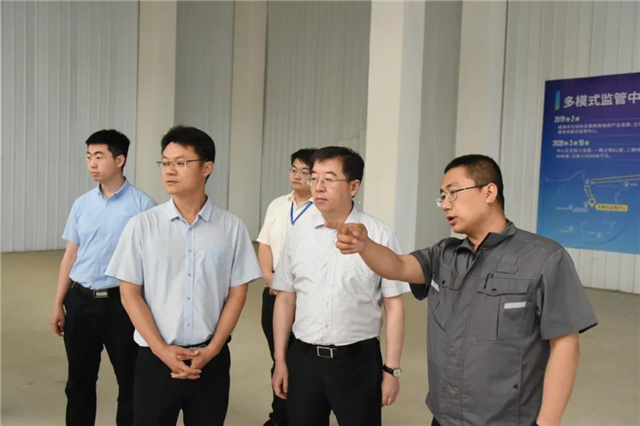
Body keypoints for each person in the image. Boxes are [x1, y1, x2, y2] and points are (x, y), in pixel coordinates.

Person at [330, 154, 598, 426]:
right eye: (442, 197)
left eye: (453, 193)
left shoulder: (544, 258)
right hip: (445, 417)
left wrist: (548, 422)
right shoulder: (444, 255)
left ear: (489, 192)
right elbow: (397, 266)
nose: (446, 204)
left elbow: (565, 345)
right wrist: (365, 246)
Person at [105, 125, 261, 426]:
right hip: (155, 359)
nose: (169, 170)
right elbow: (129, 293)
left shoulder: (231, 227)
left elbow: (237, 293)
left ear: (207, 168)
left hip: (211, 360)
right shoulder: (142, 226)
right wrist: (162, 351)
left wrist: (212, 349)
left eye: (180, 162)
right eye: (165, 162)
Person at [271, 146, 410, 426]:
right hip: (304, 359)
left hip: (357, 361)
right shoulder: (298, 234)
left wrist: (391, 370)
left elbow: (394, 305)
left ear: (354, 186)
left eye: (329, 179)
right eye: (314, 178)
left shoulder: (380, 236)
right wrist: (280, 360)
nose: (318, 187)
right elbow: (285, 298)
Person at [50, 129, 156, 426]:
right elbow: (71, 255)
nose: (92, 164)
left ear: (120, 160)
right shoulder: (82, 204)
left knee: (130, 381)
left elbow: (152, 263)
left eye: (99, 157)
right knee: (79, 382)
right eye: (88, 157)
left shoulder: (143, 206)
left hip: (121, 305)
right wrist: (59, 303)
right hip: (80, 301)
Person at [257, 148, 318, 426]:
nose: (297, 176)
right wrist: (271, 279)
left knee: (302, 361)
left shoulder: (321, 208)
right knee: (279, 357)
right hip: (274, 294)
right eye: (294, 169)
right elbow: (264, 244)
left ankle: (301, 416)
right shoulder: (278, 205)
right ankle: (279, 416)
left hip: (306, 299)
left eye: (305, 172)